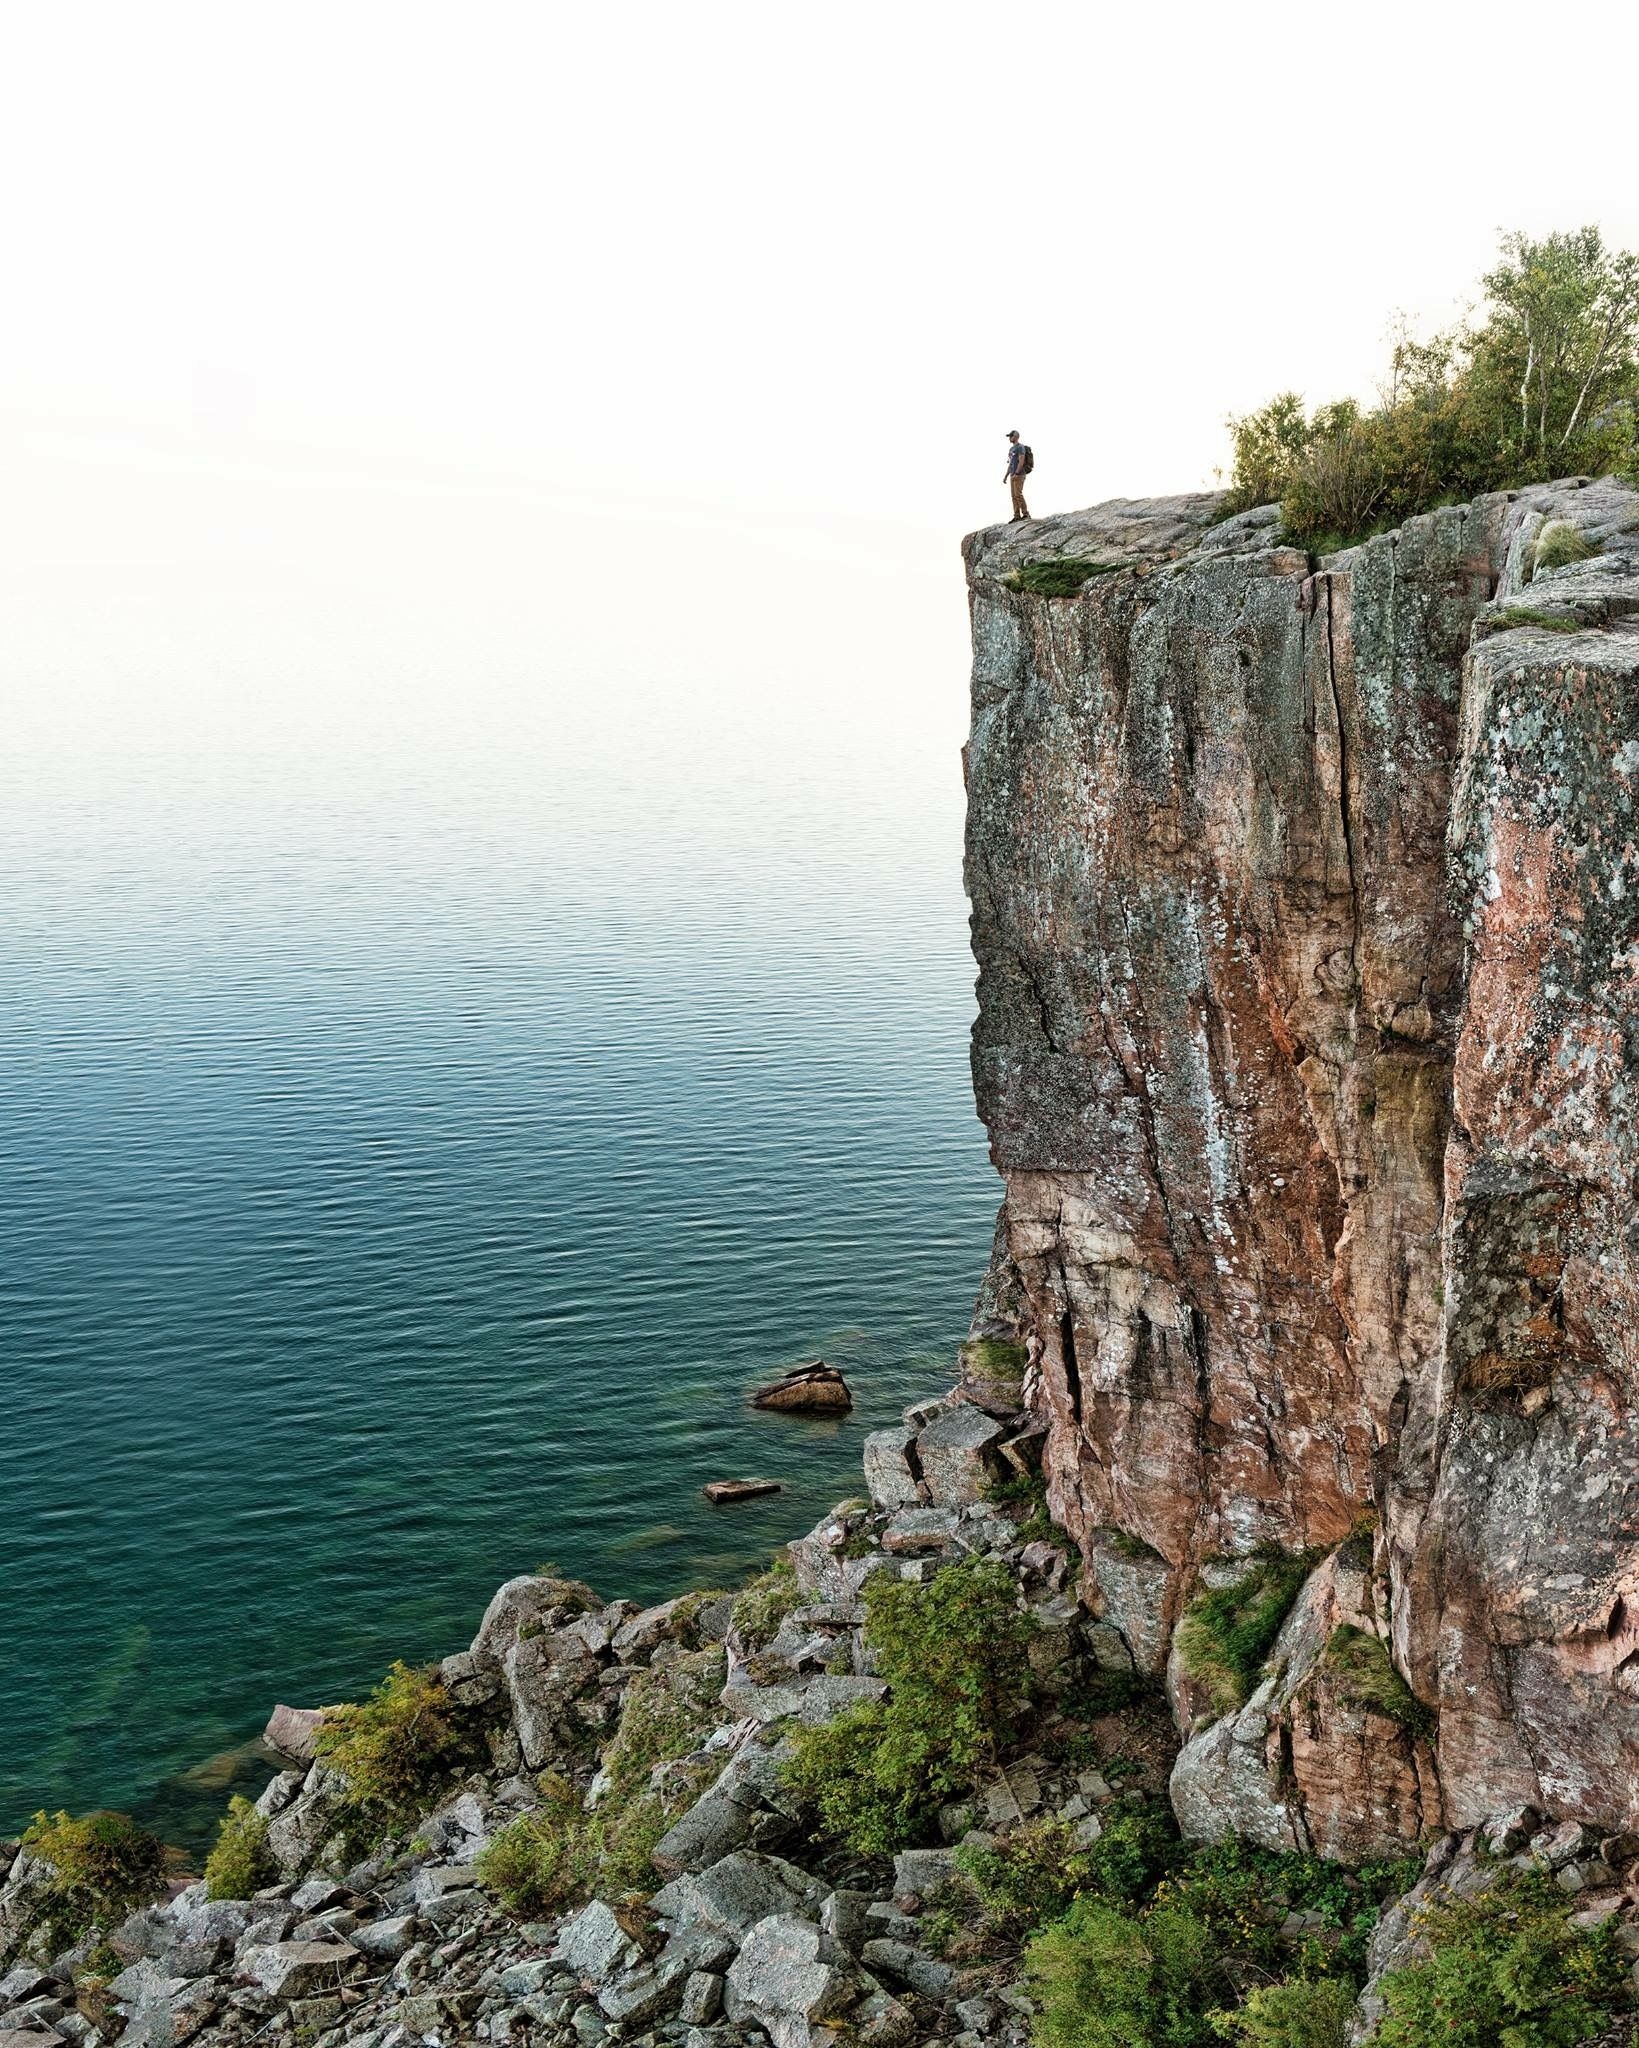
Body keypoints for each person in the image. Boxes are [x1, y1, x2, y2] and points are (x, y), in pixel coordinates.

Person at [1004, 430, 1033, 521]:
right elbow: (1011, 463)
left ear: (1016, 437)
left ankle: (1026, 514)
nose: (1009, 438)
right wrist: (1006, 476)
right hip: (1012, 475)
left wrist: (1016, 473)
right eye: (1009, 436)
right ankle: (1016, 516)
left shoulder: (1020, 447)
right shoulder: (1011, 449)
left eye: (1011, 436)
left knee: (1018, 495)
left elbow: (1021, 460)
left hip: (1019, 474)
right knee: (1013, 496)